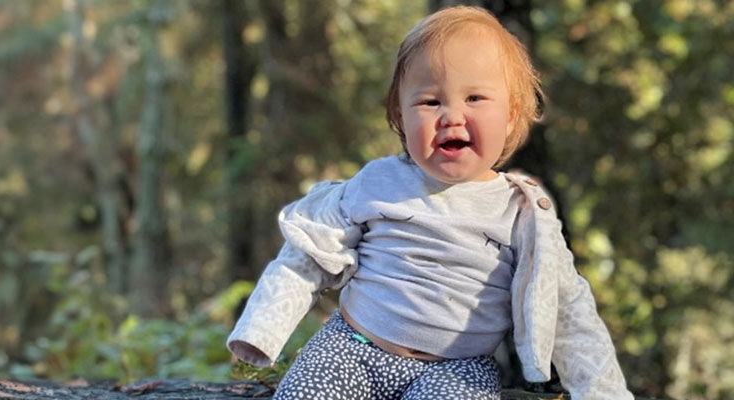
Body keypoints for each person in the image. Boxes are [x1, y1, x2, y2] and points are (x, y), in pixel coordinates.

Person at [224, 6, 633, 399]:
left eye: (475, 98)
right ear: (401, 117)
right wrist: (262, 329)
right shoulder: (380, 183)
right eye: (430, 102)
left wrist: (604, 393)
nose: (451, 116)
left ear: (511, 115)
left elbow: (568, 310)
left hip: (457, 369)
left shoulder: (522, 213)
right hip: (351, 348)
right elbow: (309, 248)